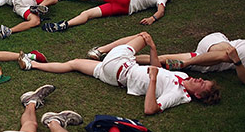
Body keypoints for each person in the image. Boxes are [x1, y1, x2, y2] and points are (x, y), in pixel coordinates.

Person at [18, 32, 220, 114]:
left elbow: (150, 109)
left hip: (120, 67)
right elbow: (157, 67)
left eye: (203, 84)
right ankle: (31, 66)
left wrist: (152, 80)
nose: (200, 79)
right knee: (74, 63)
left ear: (198, 95)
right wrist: (152, 49)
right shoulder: (184, 78)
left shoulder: (179, 96)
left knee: (143, 36)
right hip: (113, 77)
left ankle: (100, 51)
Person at [132, 32, 245, 84]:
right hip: (217, 42)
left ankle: (129, 60)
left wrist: (237, 61)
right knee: (228, 50)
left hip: (211, 59)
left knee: (160, 59)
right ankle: (127, 53)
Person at [41, 0, 171, 32]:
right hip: (125, 9)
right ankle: (65, 24)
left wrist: (152, 19)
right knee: (89, 13)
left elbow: (161, 10)